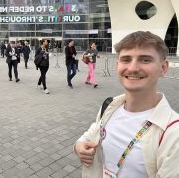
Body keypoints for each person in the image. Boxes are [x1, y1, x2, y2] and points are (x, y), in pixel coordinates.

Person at [74, 31, 179, 178]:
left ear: (163, 68)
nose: (133, 68)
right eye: (126, 59)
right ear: (117, 66)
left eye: (145, 60)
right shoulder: (110, 106)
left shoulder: (173, 133)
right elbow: (91, 133)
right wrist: (79, 146)